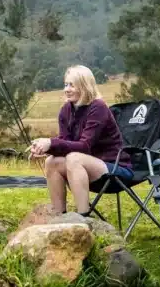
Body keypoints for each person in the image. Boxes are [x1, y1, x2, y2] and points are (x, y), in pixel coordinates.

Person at [29, 65, 132, 216]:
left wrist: (51, 143)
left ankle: (83, 217)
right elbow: (65, 142)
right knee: (51, 161)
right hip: (85, 167)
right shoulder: (66, 110)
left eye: (72, 85)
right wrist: (45, 149)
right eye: (65, 84)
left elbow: (85, 146)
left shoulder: (98, 107)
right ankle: (59, 216)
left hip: (115, 168)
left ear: (84, 86)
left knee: (74, 158)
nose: (67, 89)